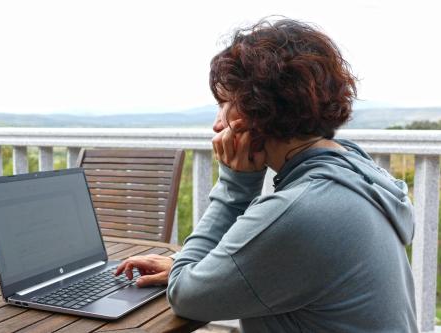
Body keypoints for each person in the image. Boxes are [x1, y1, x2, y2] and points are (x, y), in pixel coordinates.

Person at [116, 18, 417, 332]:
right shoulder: (354, 172)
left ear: (255, 111)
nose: (218, 125)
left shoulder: (303, 211)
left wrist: (234, 187)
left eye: (223, 105)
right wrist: (189, 267)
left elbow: (185, 296)